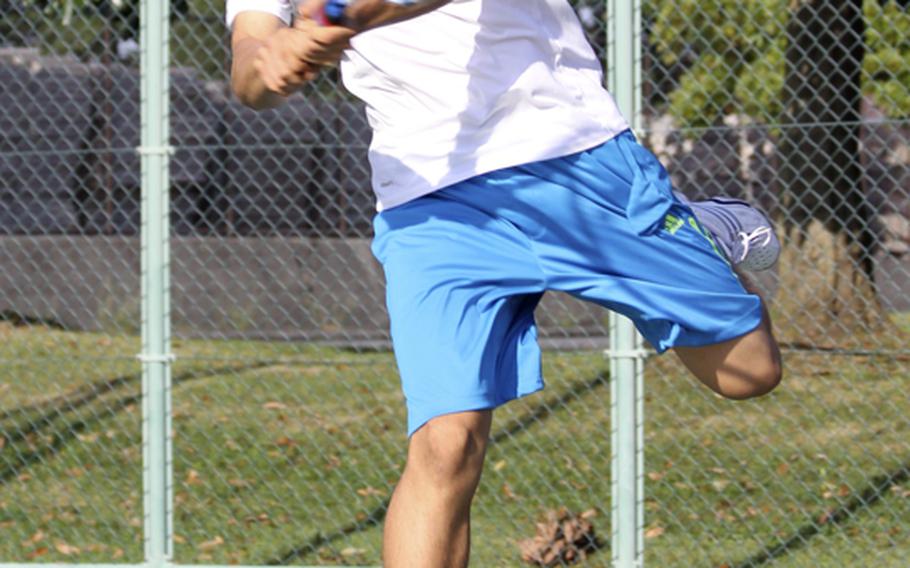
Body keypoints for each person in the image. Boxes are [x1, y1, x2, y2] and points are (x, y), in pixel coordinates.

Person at [226, 1, 783, 566]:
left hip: (566, 148)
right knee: (444, 446)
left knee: (748, 373)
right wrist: (270, 63)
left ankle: (700, 235)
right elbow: (248, 62)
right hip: (430, 196)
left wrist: (345, 19)